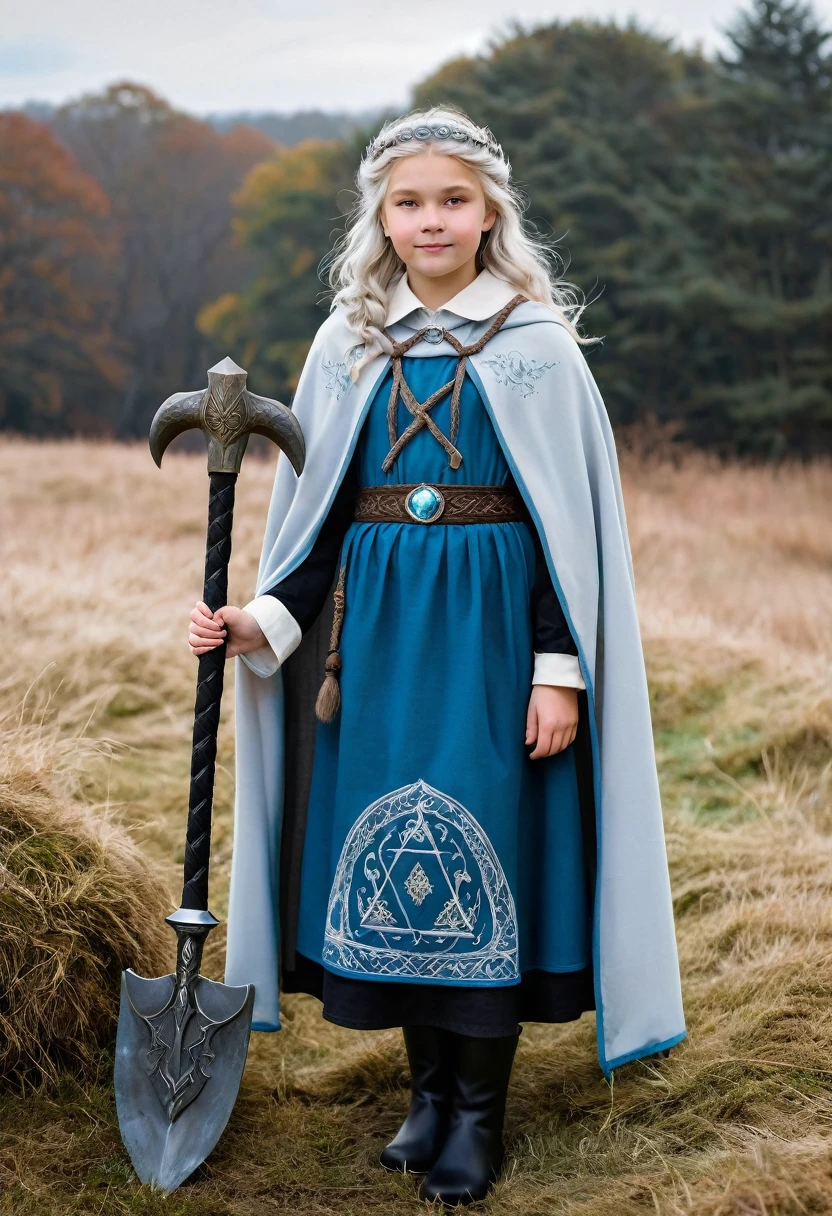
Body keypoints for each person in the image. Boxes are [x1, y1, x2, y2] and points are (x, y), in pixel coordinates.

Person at [188, 106, 686, 1206]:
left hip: (496, 640)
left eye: (452, 199)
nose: (430, 220)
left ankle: (476, 1113)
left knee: (482, 849)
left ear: (489, 211)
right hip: (375, 646)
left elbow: (570, 533)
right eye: (408, 201)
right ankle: (423, 1096)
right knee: (387, 847)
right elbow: (311, 525)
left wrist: (560, 668)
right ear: (380, 214)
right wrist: (262, 621)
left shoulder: (536, 350)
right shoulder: (345, 343)